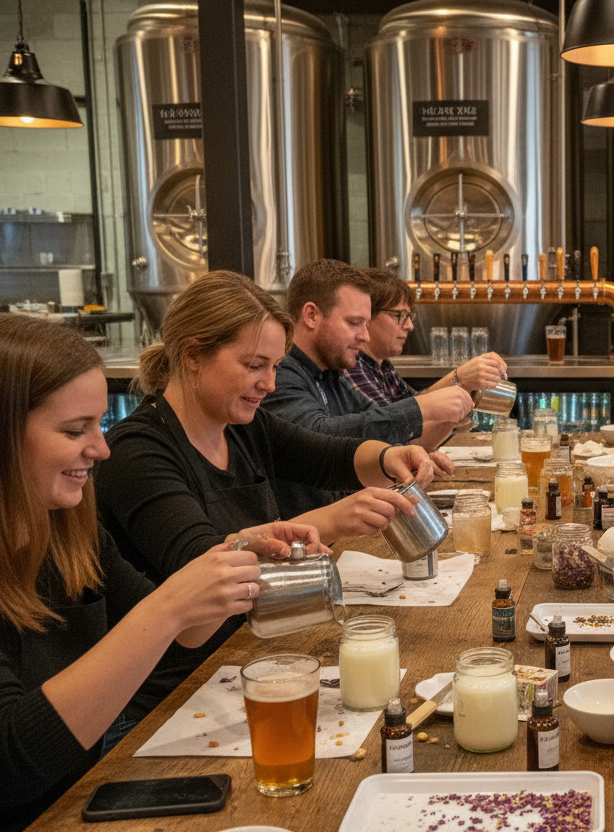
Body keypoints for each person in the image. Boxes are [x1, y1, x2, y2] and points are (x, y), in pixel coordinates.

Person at [0, 314, 306, 829]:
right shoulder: (145, 449)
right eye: (76, 430)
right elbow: (12, 765)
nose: (100, 448)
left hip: (84, 796)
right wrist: (167, 608)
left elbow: (187, 641)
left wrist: (232, 554)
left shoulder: (67, 531)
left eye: (98, 425)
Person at [94, 272, 448, 671]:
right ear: (192, 355)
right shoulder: (137, 453)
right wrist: (335, 518)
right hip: (178, 684)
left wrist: (388, 457)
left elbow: (326, 455)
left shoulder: (243, 427)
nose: (269, 383)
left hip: (253, 648)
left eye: (276, 366)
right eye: (254, 365)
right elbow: (201, 566)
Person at [261, 260, 472, 515]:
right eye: (354, 323)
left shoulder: (332, 373)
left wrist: (400, 454)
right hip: (305, 542)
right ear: (311, 315)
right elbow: (317, 439)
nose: (365, 335)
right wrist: (421, 408)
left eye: (366, 323)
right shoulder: (280, 373)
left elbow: (369, 429)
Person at [347, 267, 508, 426]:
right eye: (399, 316)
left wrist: (459, 407)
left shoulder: (383, 367)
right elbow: (393, 427)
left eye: (410, 316)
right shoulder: (353, 366)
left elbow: (414, 407)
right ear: (366, 316)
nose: (409, 326)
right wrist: (459, 378)